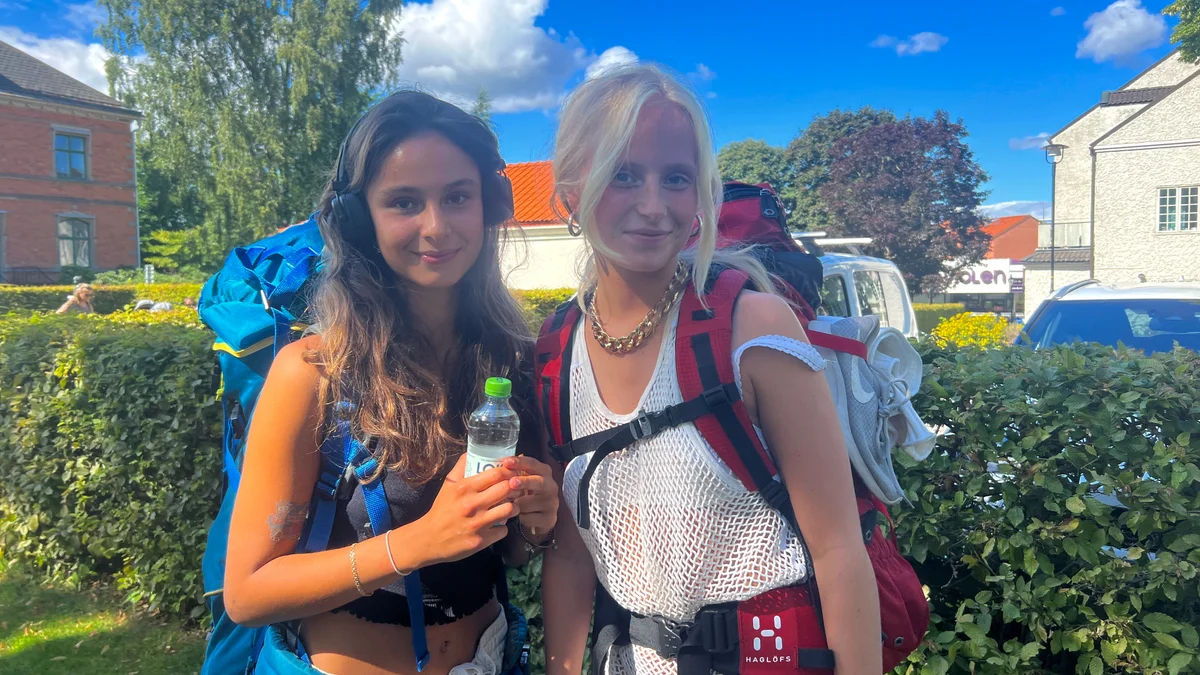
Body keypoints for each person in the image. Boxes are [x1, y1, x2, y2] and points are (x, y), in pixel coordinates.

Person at [541, 64, 882, 675]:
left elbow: (837, 549)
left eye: (676, 178)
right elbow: (570, 556)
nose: (654, 206)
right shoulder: (555, 350)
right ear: (570, 192)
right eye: (623, 174)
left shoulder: (753, 327)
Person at [223, 90, 560, 675]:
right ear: (359, 221)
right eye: (404, 202)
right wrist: (420, 542)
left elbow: (504, 551)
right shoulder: (313, 374)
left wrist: (535, 523)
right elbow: (249, 593)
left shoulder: (514, 364)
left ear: (489, 206)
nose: (437, 227)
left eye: (458, 197)